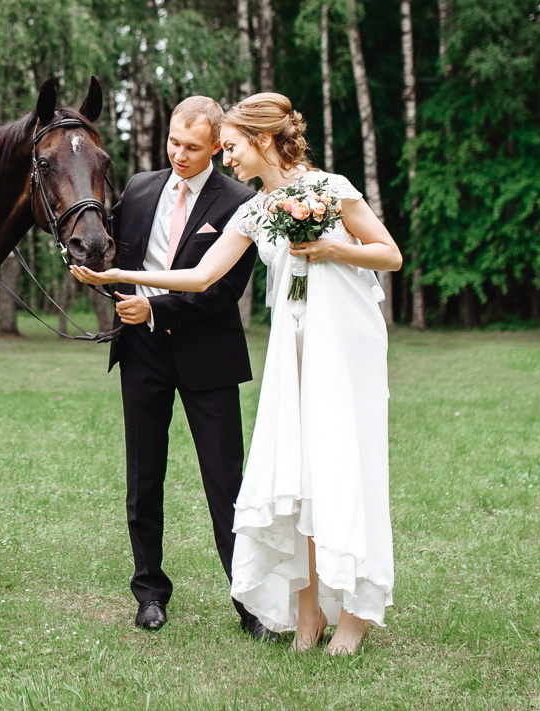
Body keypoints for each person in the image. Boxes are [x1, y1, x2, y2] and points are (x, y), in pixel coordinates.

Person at [73, 93, 402, 655]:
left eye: (230, 149)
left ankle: (354, 612)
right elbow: (200, 276)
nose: (226, 161)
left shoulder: (331, 189)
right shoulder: (255, 210)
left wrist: (330, 248)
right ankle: (307, 615)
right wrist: (114, 276)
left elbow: (389, 255)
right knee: (292, 476)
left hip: (342, 346)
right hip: (291, 349)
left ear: (262, 140)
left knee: (339, 468)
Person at [105, 96, 272, 639]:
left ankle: (248, 600)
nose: (178, 154)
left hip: (209, 353)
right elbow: (110, 249)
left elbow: (223, 290)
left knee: (225, 482)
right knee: (143, 476)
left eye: (192, 147)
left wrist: (154, 305)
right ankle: (149, 592)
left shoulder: (242, 200)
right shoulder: (138, 189)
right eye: (173, 142)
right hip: (142, 352)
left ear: (217, 145)